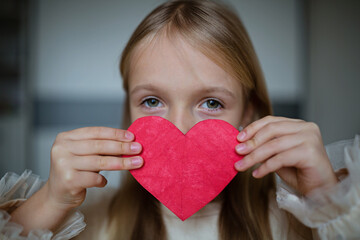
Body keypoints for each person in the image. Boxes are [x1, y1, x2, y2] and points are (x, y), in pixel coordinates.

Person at [1, 0, 359, 239]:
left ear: (249, 113)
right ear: (129, 110)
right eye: (152, 101)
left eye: (212, 103)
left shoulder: (298, 221)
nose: (179, 129)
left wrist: (325, 197)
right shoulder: (86, 220)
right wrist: (50, 202)